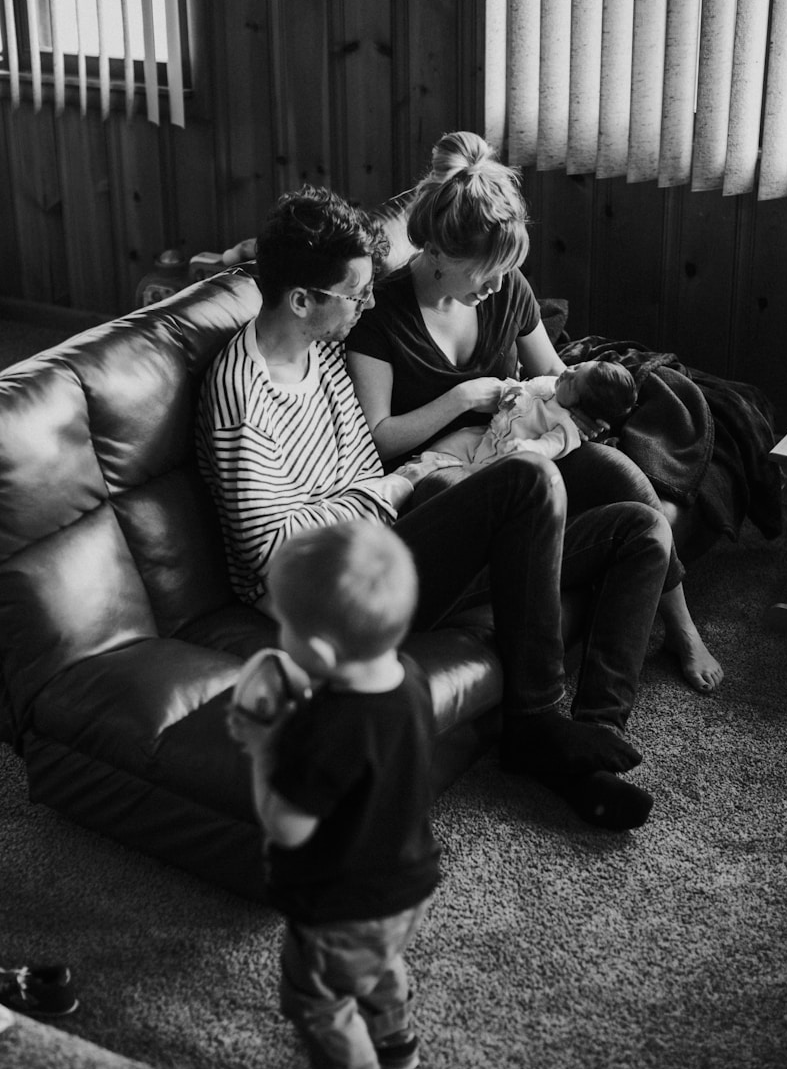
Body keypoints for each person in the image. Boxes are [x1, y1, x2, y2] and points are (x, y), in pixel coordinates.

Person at [198, 182, 672, 839]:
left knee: (640, 529)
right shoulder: (241, 401)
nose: (368, 303)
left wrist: (391, 488)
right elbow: (269, 559)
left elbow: (363, 472)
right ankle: (534, 726)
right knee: (527, 483)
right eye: (356, 293)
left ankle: (590, 744)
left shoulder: (324, 348)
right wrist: (393, 489)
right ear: (302, 299)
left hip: (388, 551)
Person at [346, 130, 724, 696]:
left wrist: (578, 409)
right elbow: (379, 439)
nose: (499, 285)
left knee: (617, 472)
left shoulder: (506, 290)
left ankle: (681, 626)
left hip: (522, 441)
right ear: (439, 255)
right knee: (469, 483)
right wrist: (459, 399)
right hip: (449, 476)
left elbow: (550, 374)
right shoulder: (381, 317)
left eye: (507, 271)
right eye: (488, 272)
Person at [227, 521, 439, 1069]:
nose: (278, 635)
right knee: (378, 960)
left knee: (317, 1001)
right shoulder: (409, 678)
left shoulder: (321, 731)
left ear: (316, 650)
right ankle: (395, 1036)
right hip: (408, 880)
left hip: (338, 902)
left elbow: (287, 827)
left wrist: (265, 749)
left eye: (283, 625)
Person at [424, 359, 637, 471]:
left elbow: (547, 447)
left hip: (500, 461)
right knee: (442, 449)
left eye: (573, 382)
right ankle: (403, 478)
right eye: (577, 366)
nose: (567, 371)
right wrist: (508, 391)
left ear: (581, 409)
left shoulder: (566, 428)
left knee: (454, 472)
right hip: (487, 436)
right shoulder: (551, 385)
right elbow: (525, 388)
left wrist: (526, 449)